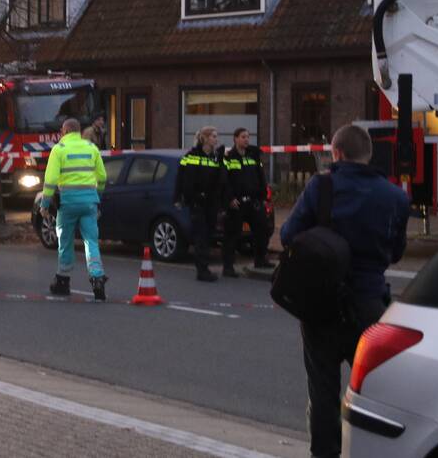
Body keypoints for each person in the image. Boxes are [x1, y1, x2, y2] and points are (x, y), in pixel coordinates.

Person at [280, 124, 409, 458]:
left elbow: (289, 234)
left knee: (322, 392)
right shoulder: (395, 197)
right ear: (368, 155)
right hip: (369, 305)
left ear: (336, 153)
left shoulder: (321, 186)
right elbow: (396, 252)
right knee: (375, 392)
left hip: (321, 305)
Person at [40, 118, 109, 300]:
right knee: (91, 241)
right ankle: (97, 277)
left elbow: (51, 181)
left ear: (64, 131)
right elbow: (102, 177)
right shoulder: (92, 148)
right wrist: (97, 198)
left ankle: (63, 279)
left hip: (68, 204)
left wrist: (44, 205)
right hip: (89, 203)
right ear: (78, 131)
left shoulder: (59, 150)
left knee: (65, 240)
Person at [174, 126, 225, 282]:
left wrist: (221, 159)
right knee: (201, 237)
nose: (216, 139)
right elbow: (181, 178)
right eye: (214, 136)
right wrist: (178, 198)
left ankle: (205, 267)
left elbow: (220, 180)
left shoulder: (215, 157)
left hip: (211, 203)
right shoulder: (191, 156)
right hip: (197, 202)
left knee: (208, 236)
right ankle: (202, 270)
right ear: (206, 138)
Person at [221, 127, 274, 275]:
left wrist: (263, 197)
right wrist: (230, 198)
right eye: (243, 137)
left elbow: (261, 177)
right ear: (235, 139)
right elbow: (225, 181)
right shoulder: (229, 158)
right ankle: (228, 267)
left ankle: (260, 259)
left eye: (247, 137)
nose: (246, 140)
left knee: (262, 229)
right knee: (232, 234)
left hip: (254, 201)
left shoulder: (253, 156)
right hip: (237, 203)